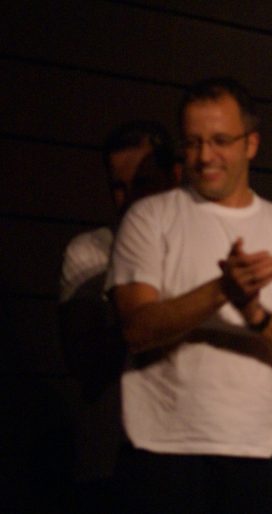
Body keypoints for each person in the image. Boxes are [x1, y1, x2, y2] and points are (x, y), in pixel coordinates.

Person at [107, 77, 272, 513]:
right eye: (193, 143)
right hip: (162, 454)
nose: (205, 156)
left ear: (252, 144)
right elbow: (135, 329)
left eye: (220, 141)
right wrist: (221, 290)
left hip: (260, 454)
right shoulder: (149, 217)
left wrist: (257, 315)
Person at [58, 120, 176, 513]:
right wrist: (140, 314)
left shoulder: (197, 248)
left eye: (142, 183)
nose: (129, 200)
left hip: (182, 461)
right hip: (109, 464)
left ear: (173, 178)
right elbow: (84, 363)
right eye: (119, 187)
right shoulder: (91, 252)